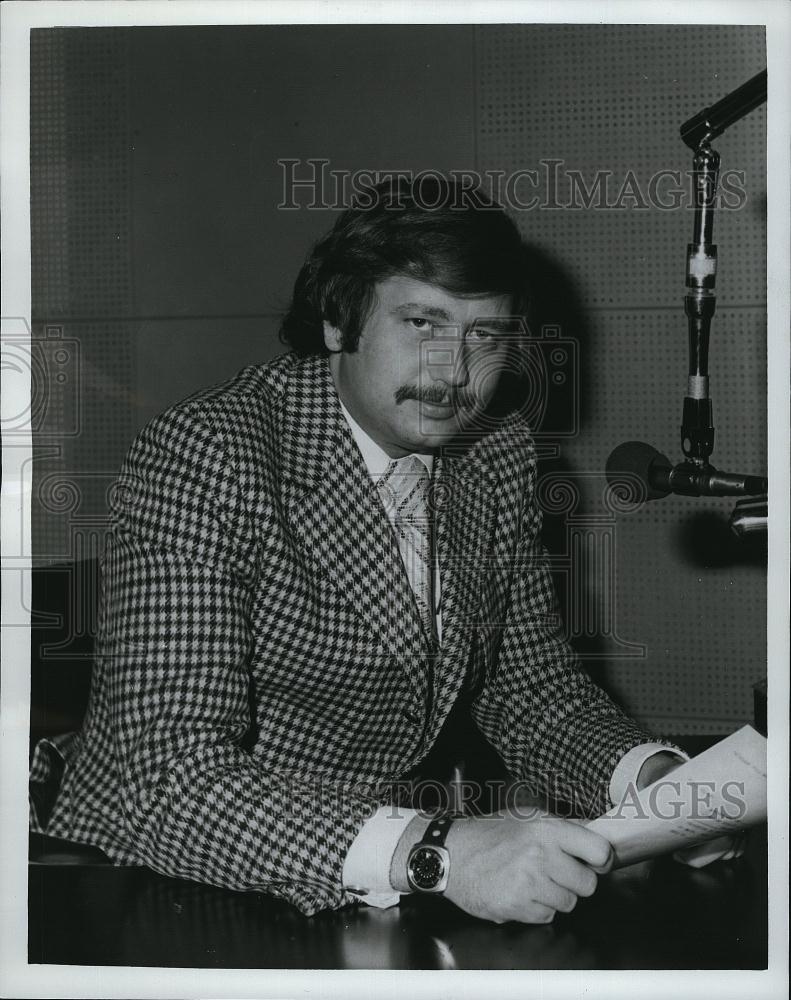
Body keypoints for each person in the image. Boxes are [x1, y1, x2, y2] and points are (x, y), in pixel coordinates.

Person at [29, 176, 738, 924]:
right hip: (152, 877)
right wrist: (440, 850)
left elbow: (530, 691)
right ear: (339, 322)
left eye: (484, 334)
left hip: (372, 872)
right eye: (422, 323)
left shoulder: (496, 451)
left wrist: (660, 788)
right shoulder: (208, 453)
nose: (453, 372)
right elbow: (166, 775)